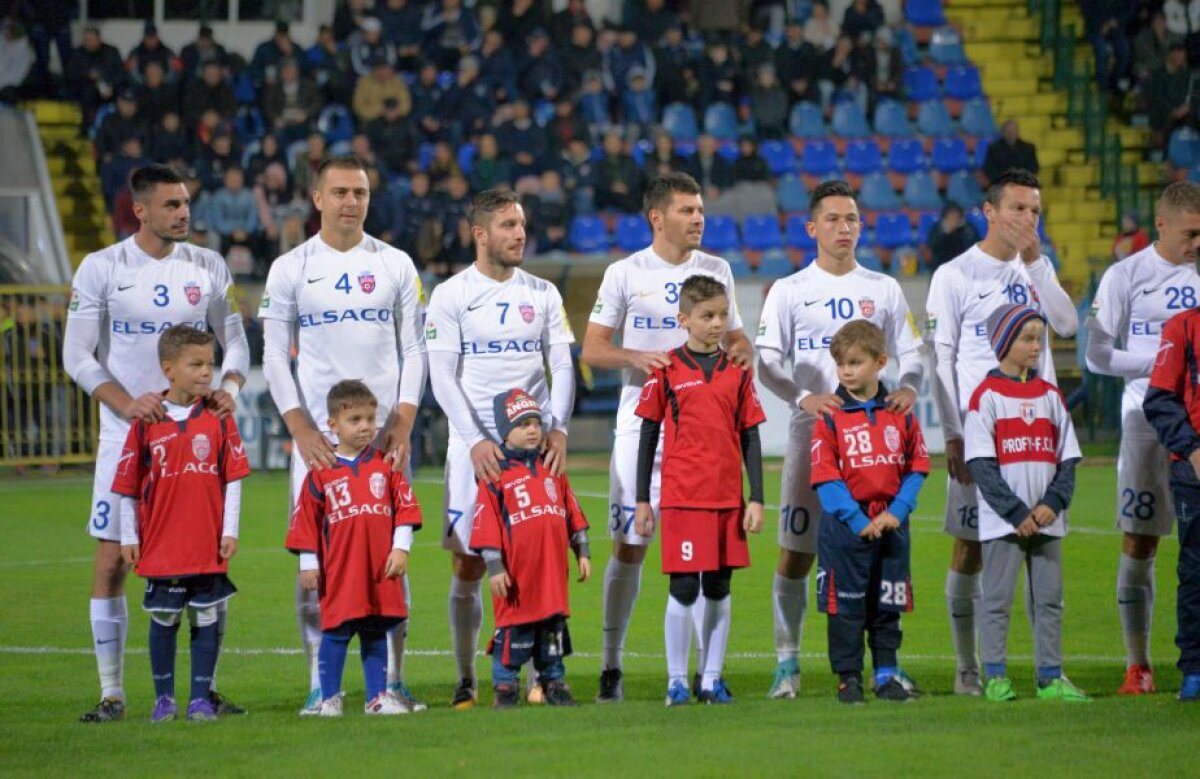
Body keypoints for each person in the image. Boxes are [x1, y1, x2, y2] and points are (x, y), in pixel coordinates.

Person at [62, 163, 249, 723]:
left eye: (186, 202)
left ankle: (203, 691)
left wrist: (230, 387)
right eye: (171, 205)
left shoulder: (209, 265)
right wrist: (125, 404)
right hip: (128, 436)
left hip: (195, 439)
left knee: (209, 559)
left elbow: (235, 341)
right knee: (112, 561)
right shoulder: (102, 267)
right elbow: (76, 353)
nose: (184, 212)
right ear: (139, 210)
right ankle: (112, 693)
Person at [259, 156, 428, 714]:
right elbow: (274, 355)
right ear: (316, 198)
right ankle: (319, 680)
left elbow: (414, 350)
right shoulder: (290, 267)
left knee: (392, 557)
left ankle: (395, 679)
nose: (350, 202)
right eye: (339, 192)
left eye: (359, 191)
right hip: (317, 446)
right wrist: (300, 426)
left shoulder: (396, 263)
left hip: (384, 442)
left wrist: (401, 419)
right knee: (314, 563)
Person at [582, 172, 752, 703]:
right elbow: (592, 348)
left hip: (703, 430)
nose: (698, 218)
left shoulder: (716, 269)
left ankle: (705, 676)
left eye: (700, 209)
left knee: (705, 553)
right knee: (631, 545)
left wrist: (743, 352)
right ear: (658, 218)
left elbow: (738, 333)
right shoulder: (625, 273)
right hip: (642, 425)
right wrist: (637, 357)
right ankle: (612, 663)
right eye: (686, 210)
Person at [755, 180, 923, 700]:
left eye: (851, 218)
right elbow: (766, 362)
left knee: (880, 548)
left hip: (874, 441)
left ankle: (882, 666)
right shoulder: (788, 289)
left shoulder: (884, 288)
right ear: (812, 228)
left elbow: (911, 353)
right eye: (832, 219)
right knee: (795, 551)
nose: (843, 227)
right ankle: (788, 662)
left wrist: (911, 387)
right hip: (815, 436)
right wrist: (803, 398)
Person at [926, 168, 1078, 696]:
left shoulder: (1038, 267)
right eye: (1017, 209)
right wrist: (953, 434)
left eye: (1035, 211)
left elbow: (1068, 325)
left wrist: (1037, 264)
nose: (1027, 220)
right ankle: (970, 666)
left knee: (1044, 554)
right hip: (984, 440)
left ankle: (1049, 672)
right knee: (970, 549)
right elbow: (942, 357)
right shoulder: (955, 274)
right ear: (989, 212)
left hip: (1038, 438)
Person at [425, 188, 576, 709]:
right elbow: (441, 375)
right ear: (480, 233)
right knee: (470, 565)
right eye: (509, 225)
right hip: (475, 453)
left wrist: (558, 429)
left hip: (533, 455)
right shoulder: (450, 295)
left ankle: (539, 676)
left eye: (522, 224)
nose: (520, 234)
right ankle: (467, 677)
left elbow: (562, 366)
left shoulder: (544, 294)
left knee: (535, 561)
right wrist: (473, 441)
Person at [634, 274, 765, 706]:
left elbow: (750, 436)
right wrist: (641, 500)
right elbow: (648, 434)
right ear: (684, 319)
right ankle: (675, 680)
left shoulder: (738, 371)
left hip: (728, 498)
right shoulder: (667, 370)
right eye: (707, 316)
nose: (717, 323)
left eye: (723, 315)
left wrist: (757, 498)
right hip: (683, 497)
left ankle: (710, 678)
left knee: (719, 589)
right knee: (684, 589)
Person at [114, 326, 250, 722]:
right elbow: (127, 482)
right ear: (168, 369)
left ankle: (200, 699)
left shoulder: (220, 417)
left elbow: (234, 478)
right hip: (161, 541)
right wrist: (127, 534)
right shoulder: (147, 419)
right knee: (165, 617)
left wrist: (230, 530)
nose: (207, 372)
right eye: (196, 364)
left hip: (207, 539)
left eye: (210, 363)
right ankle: (164, 699)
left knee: (206, 614)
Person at [1100, 182, 1200, 698]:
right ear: (1161, 225)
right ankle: (1138, 664)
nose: (1197, 243)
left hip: (1199, 419)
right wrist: (1165, 365)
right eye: (1190, 234)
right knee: (1141, 537)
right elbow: (1097, 354)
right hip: (1146, 414)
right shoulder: (1127, 275)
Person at [965, 304, 1088, 702]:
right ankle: (996, 676)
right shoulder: (985, 397)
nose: (1037, 346)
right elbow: (981, 465)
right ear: (1004, 342)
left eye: (1040, 338)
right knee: (997, 600)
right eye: (1027, 338)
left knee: (1050, 599)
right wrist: (1016, 512)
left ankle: (1050, 677)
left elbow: (1067, 457)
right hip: (1006, 522)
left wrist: (1055, 500)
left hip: (1047, 519)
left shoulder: (1051, 395)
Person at [285, 380, 425, 716]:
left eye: (370, 419)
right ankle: (329, 698)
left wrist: (401, 548)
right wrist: (308, 562)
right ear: (332, 425)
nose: (365, 427)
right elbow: (306, 520)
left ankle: (376, 698)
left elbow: (406, 509)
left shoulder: (385, 465)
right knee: (335, 633)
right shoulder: (320, 473)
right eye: (355, 420)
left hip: (379, 568)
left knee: (374, 632)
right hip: (340, 569)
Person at [810, 320, 929, 704]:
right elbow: (826, 478)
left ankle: (887, 675)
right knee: (845, 609)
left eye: (855, 363)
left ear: (880, 362)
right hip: (847, 530)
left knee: (886, 605)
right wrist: (858, 520)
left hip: (892, 525)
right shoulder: (829, 416)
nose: (846, 371)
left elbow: (917, 466)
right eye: (841, 363)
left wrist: (898, 510)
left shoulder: (902, 412)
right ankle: (849, 679)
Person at [470, 389, 591, 708]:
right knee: (514, 632)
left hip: (552, 574)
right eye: (524, 424)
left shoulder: (553, 467)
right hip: (517, 576)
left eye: (537, 422)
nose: (534, 430)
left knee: (553, 630)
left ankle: (554, 682)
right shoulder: (495, 475)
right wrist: (495, 567)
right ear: (505, 431)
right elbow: (487, 523)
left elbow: (572, 511)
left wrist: (583, 551)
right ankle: (505, 687)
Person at [982, 122, 1040, 187]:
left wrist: (1020, 179)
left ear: (1017, 132)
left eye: (1013, 131)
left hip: (1023, 185)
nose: (1010, 134)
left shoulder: (1028, 148)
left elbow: (1034, 168)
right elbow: (989, 169)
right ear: (1002, 133)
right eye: (1008, 131)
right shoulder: (993, 149)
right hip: (1001, 186)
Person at [925, 202, 980, 270]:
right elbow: (933, 247)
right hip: (941, 264)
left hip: (963, 264)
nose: (953, 219)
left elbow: (973, 247)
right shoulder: (937, 228)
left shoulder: (968, 229)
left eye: (956, 217)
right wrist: (946, 233)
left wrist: (959, 231)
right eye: (950, 216)